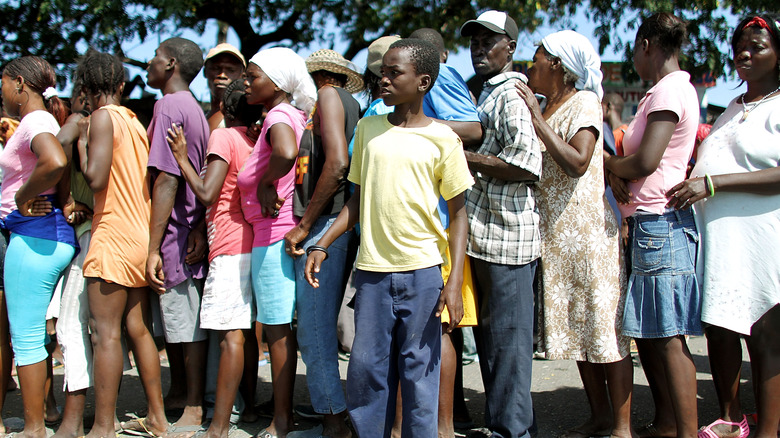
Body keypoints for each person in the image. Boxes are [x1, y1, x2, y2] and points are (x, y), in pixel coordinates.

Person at [304, 37, 472, 438]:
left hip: (424, 275)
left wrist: (453, 281)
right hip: (373, 275)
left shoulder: (443, 139)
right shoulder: (368, 129)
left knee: (419, 373)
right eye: (382, 72)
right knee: (366, 370)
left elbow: (459, 214)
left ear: (424, 82)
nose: (383, 79)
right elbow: (358, 200)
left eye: (395, 73)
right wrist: (323, 242)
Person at [515, 30, 634, 438]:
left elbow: (579, 162)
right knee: (580, 329)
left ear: (559, 67)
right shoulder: (551, 106)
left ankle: (621, 426)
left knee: (604, 330)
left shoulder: (584, 102)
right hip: (557, 234)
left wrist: (535, 118)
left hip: (585, 233)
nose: (530, 67)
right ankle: (599, 416)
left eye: (536, 60)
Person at [666, 14, 780, 438]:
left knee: (765, 335)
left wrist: (712, 183)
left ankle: (768, 430)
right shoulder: (733, 107)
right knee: (721, 327)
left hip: (764, 239)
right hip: (721, 242)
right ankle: (733, 419)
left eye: (758, 46)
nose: (744, 54)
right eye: (740, 47)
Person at [603, 12, 701, 438]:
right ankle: (666, 423)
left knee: (668, 337)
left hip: (660, 222)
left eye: (634, 51)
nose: (634, 61)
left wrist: (608, 164)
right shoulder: (661, 91)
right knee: (651, 333)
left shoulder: (669, 91)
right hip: (649, 223)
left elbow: (646, 161)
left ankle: (686, 431)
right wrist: (615, 171)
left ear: (646, 45)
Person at [71, 51, 170, 438]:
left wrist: (81, 142)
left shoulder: (101, 119)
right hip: (140, 235)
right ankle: (158, 419)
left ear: (86, 88)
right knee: (138, 328)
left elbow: (95, 178)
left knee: (105, 332)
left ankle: (102, 426)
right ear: (121, 85)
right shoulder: (133, 121)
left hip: (111, 231)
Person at [460, 10, 542, 438]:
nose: (478, 49)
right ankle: (506, 426)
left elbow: (526, 164)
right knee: (494, 346)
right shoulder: (488, 93)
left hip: (509, 237)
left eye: (488, 41)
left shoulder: (510, 94)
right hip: (488, 235)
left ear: (510, 48)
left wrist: (464, 156)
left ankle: (513, 432)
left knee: (508, 346)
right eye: (473, 42)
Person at [166, 80, 264, 438]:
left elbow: (208, 194)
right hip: (249, 242)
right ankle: (248, 408)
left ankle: (219, 426)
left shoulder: (224, 137)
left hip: (229, 243)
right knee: (245, 333)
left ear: (225, 106)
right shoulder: (254, 139)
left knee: (230, 336)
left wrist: (181, 160)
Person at [237, 47, 316, 438]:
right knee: (280, 329)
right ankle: (286, 411)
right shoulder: (291, 116)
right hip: (280, 230)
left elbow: (285, 153)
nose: (246, 83)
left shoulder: (278, 116)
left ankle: (282, 420)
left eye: (253, 77)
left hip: (272, 234)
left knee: (276, 330)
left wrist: (267, 182)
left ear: (278, 83)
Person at [283, 49, 362, 438]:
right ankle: (330, 410)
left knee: (313, 328)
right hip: (331, 220)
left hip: (325, 221)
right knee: (317, 326)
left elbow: (337, 164)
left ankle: (333, 421)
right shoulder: (346, 103)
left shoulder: (329, 97)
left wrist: (306, 224)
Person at [0, 55, 76, 438]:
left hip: (34, 238)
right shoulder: (42, 120)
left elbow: (55, 159)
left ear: (18, 83)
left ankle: (33, 429)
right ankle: (41, 415)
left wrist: (22, 198)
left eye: (2, 82)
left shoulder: (35, 120)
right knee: (36, 335)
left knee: (26, 337)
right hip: (46, 235)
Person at [143, 36, 210, 435]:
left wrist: (153, 247)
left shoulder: (169, 106)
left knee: (185, 328)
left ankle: (195, 407)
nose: (148, 65)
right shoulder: (193, 109)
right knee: (179, 325)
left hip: (175, 233)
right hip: (188, 228)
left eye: (154, 58)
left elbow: (167, 178)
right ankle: (181, 392)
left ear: (170, 64)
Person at [49, 81, 95, 438]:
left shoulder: (85, 124)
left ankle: (74, 417)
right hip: (98, 232)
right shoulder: (120, 124)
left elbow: (59, 147)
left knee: (70, 324)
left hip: (94, 236)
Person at [203, 43, 246, 132]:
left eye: (231, 70)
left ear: (243, 76)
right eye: (215, 68)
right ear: (205, 72)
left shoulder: (247, 121)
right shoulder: (202, 117)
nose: (222, 75)